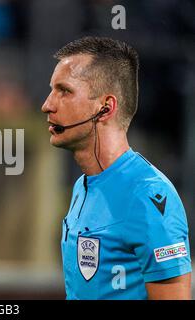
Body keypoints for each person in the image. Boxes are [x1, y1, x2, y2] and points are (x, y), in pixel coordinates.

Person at [41, 36, 191, 299]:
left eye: (64, 91)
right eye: (52, 90)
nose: (48, 105)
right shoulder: (82, 186)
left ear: (105, 108)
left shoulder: (149, 195)